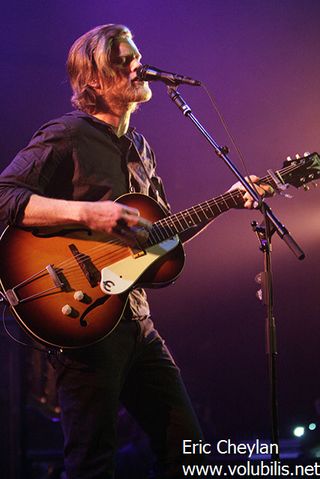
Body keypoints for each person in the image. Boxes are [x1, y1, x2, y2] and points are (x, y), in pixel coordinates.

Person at [0, 24, 271, 479]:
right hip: (82, 319)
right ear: (94, 81)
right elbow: (5, 196)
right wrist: (90, 215)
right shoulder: (67, 134)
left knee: (187, 452)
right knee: (92, 462)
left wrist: (227, 201)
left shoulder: (141, 149)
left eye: (136, 56)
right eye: (123, 61)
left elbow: (160, 238)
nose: (137, 66)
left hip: (136, 321)